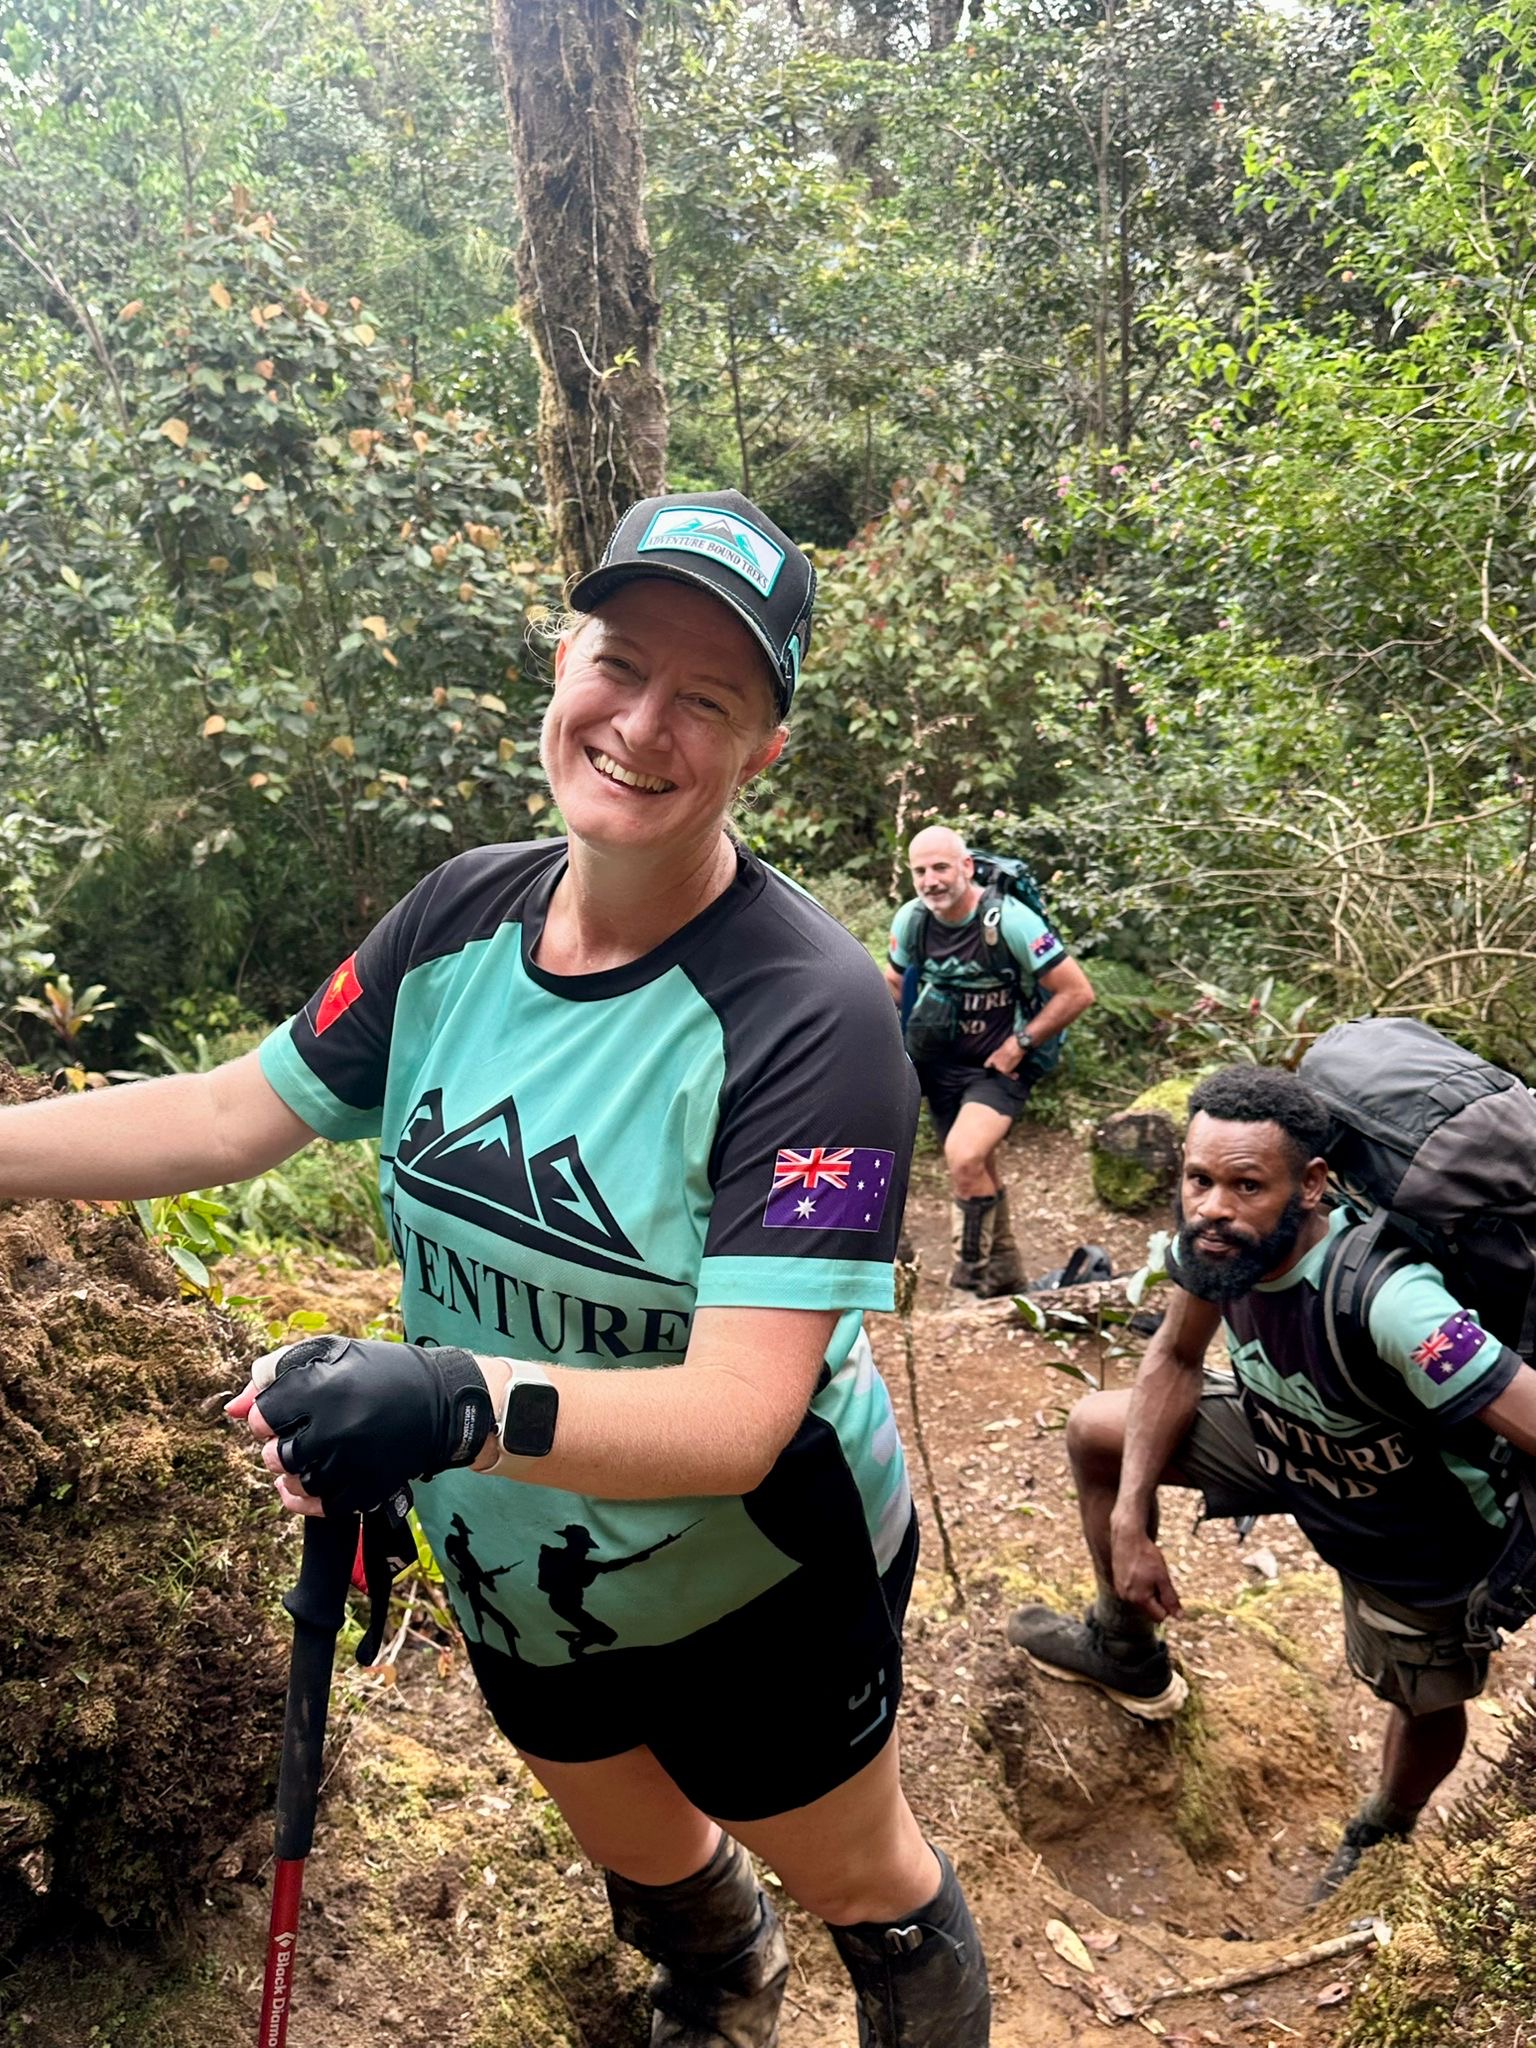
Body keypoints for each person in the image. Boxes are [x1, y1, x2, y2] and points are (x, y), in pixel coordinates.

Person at [0, 489, 989, 2047]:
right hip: (517, 1551)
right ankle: (722, 1980)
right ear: (563, 660)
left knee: (859, 1874)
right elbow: (223, 1113)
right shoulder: (459, 914)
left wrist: (450, 1398)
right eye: (619, 663)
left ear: (761, 754)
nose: (644, 724)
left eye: (708, 701)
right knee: (635, 1840)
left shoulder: (814, 1014)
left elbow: (736, 1416)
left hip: (757, 1570)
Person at [1005, 1065, 1536, 1899]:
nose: (1214, 1206)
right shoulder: (1220, 1247)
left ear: (1314, 1185)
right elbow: (1176, 1356)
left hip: (1407, 1524)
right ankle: (1124, 1646)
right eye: (1198, 1179)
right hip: (1284, 1436)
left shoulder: (1392, 1303)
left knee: (1421, 1700)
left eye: (1247, 1185)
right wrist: (1130, 1521)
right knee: (1096, 1432)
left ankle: (1383, 1827)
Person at [883, 827, 1095, 1296]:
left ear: (966, 867)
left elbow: (1077, 992)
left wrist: (1020, 1043)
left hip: (996, 1069)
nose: (931, 880)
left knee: (964, 1157)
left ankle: (969, 1286)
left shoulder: (1008, 920)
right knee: (978, 1167)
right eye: (920, 871)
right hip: (937, 1068)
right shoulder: (913, 921)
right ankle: (1006, 1275)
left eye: (941, 867)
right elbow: (894, 986)